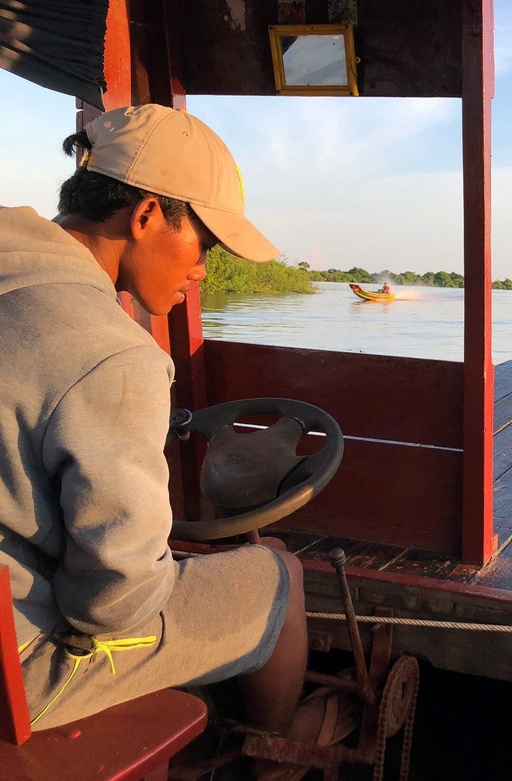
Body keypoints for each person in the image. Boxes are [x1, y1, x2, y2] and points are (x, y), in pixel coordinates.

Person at [0, 105, 348, 780]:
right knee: (276, 572)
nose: (203, 274)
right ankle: (272, 759)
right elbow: (111, 604)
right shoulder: (111, 354)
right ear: (147, 215)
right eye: (206, 246)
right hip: (22, 672)